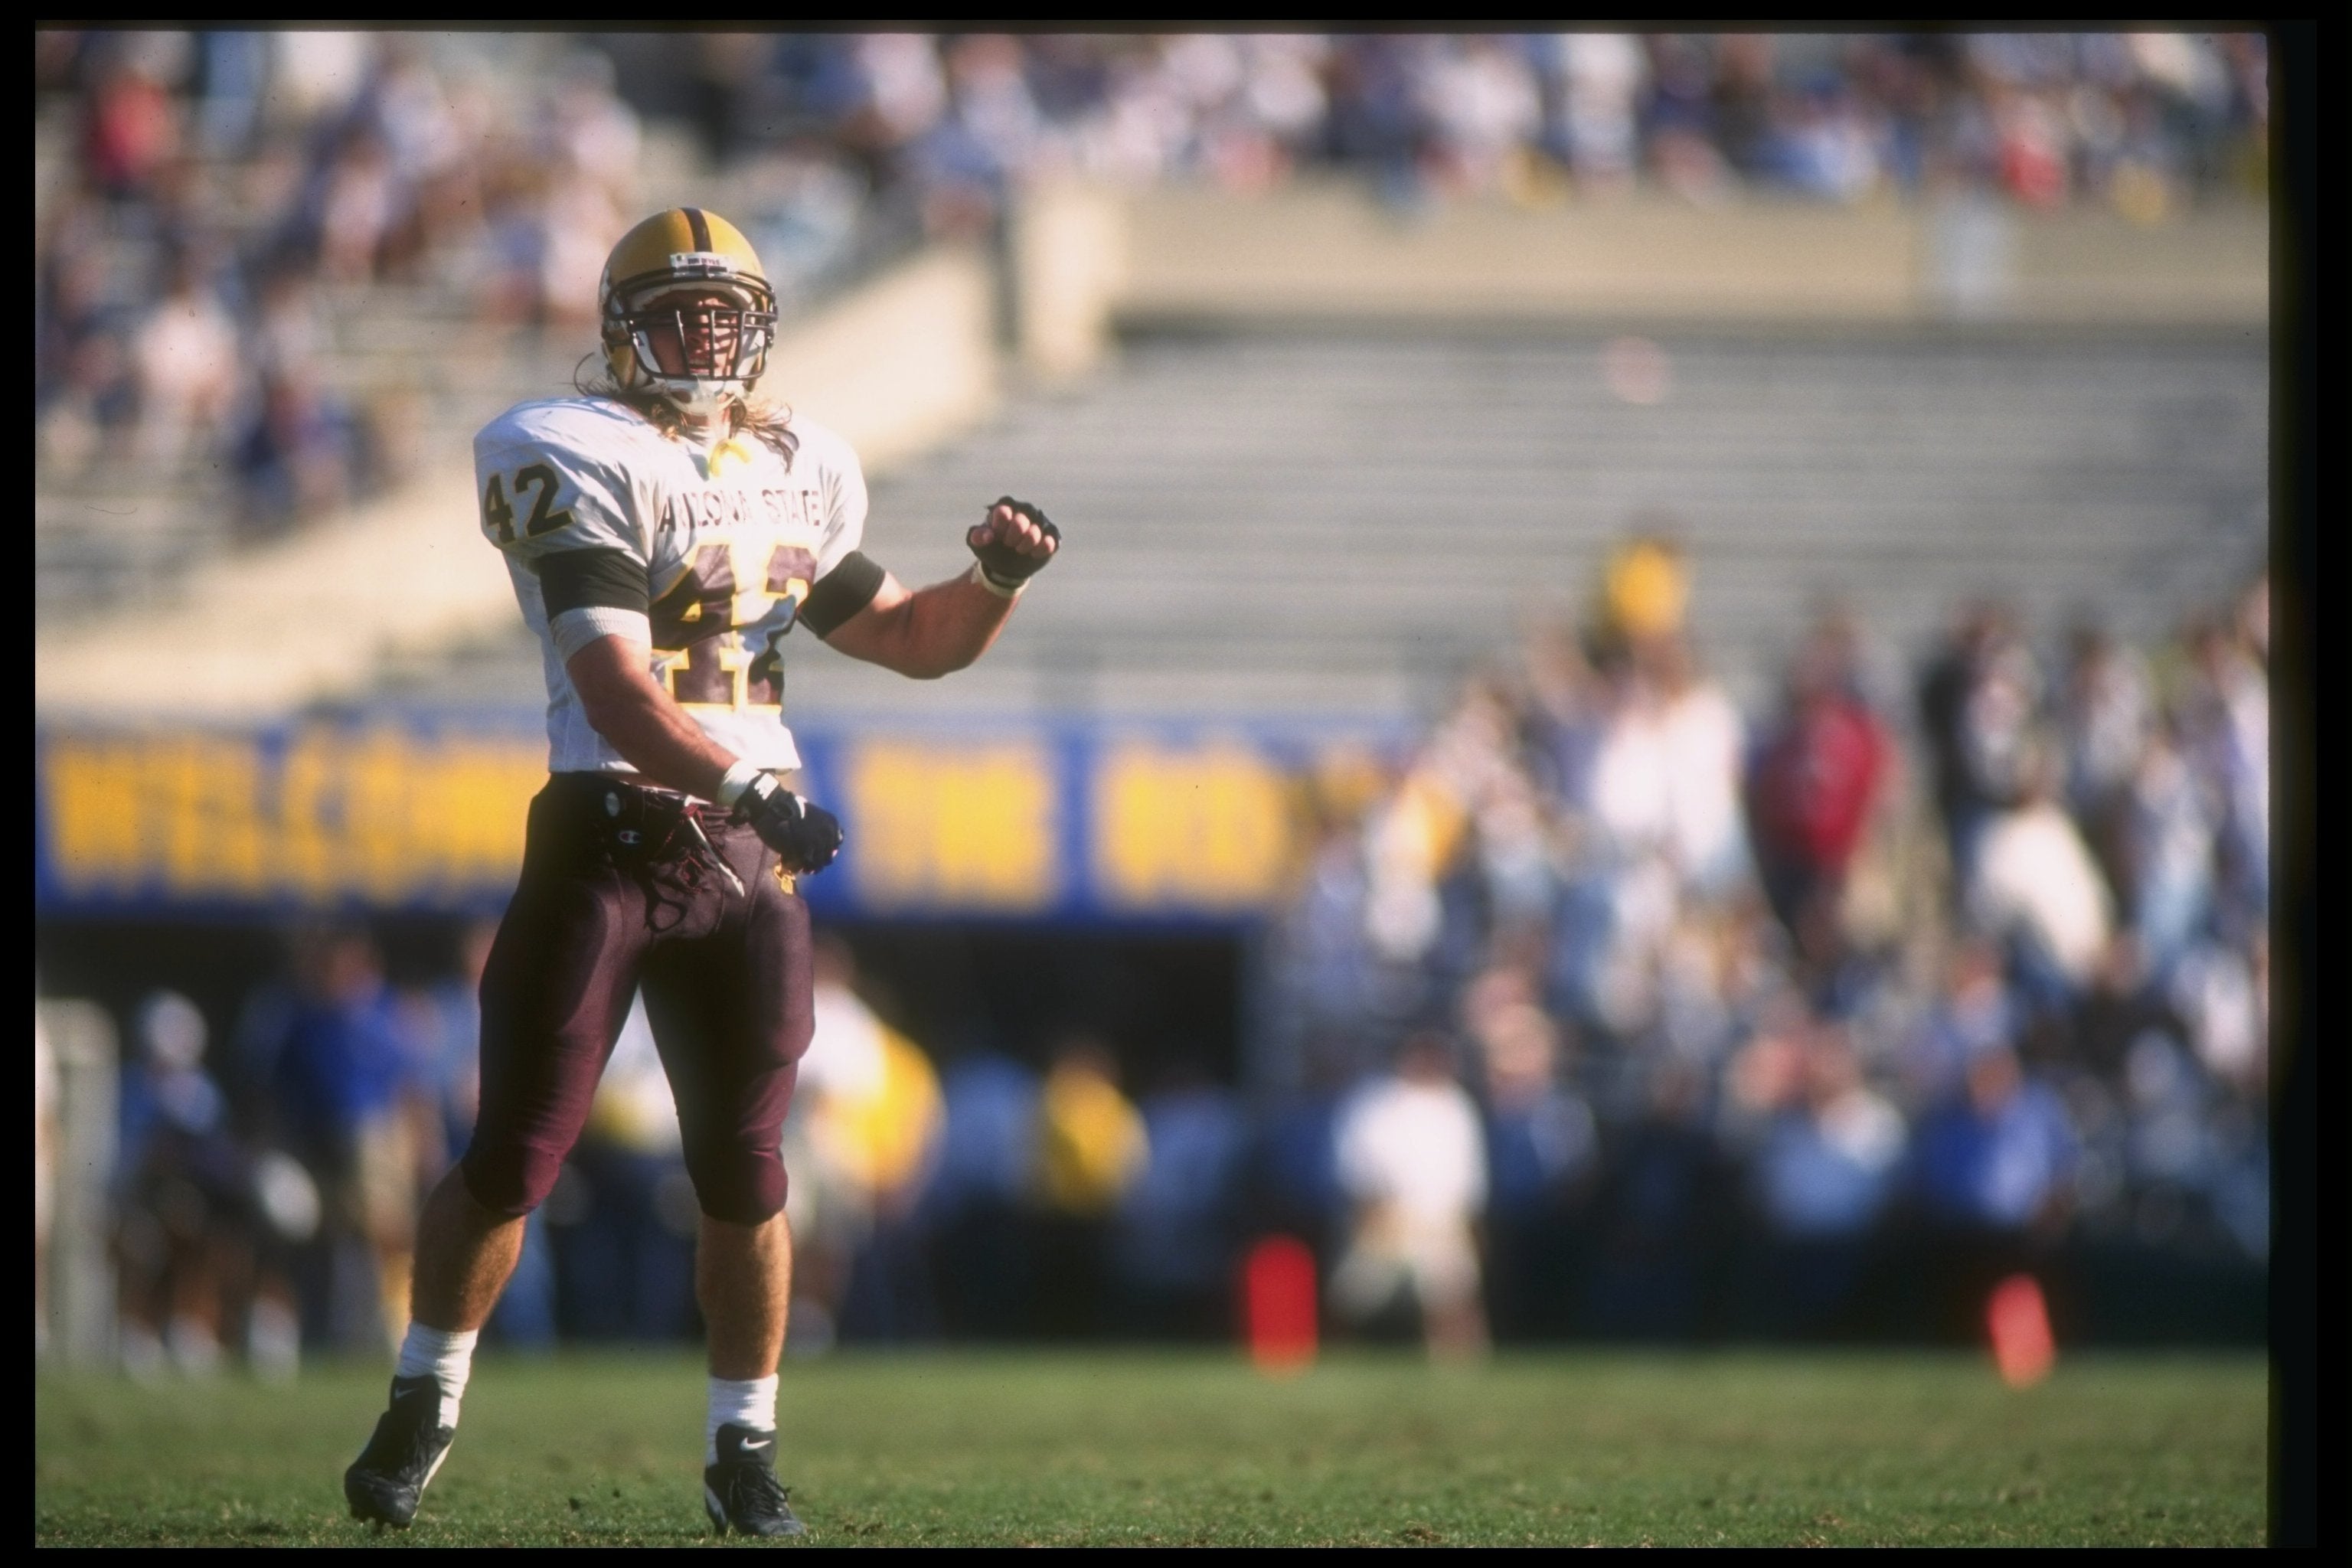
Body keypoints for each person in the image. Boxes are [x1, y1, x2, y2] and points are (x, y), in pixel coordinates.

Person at [341, 206, 1060, 1537]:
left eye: (727, 316)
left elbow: (909, 636)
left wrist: (995, 579)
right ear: (620, 333)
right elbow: (615, 688)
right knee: (518, 1153)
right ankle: (425, 1394)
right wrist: (745, 785)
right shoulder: (571, 448)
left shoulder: (799, 461)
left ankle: (744, 1451)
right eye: (679, 314)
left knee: (750, 1168)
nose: (707, 340)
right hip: (613, 832)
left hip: (743, 856)